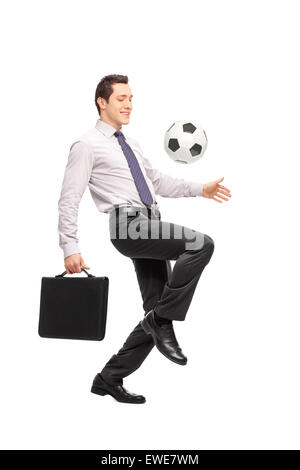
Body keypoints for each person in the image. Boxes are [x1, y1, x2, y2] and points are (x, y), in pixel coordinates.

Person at [57, 74, 231, 404]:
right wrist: (70, 246)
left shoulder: (130, 143)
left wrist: (200, 189)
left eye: (131, 98)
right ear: (102, 102)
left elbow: (157, 182)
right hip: (128, 225)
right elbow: (69, 197)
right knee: (201, 244)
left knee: (155, 311)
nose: (128, 104)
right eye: (121, 98)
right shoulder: (85, 145)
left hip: (151, 221)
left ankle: (109, 378)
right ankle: (162, 320)